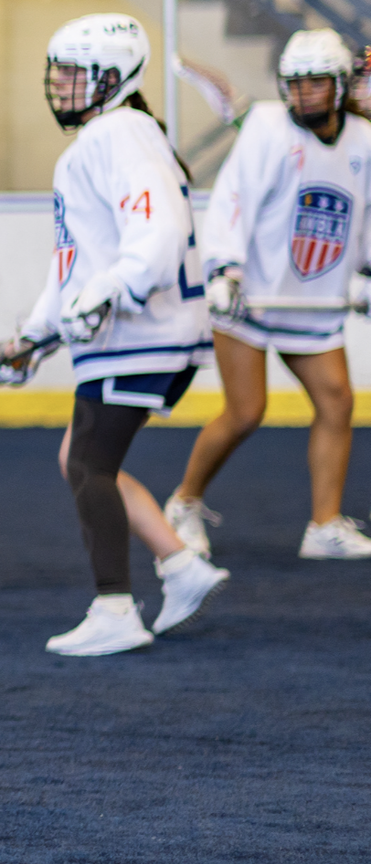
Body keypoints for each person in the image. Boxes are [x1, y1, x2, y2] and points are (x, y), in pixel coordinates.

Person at [0, 14, 230, 657]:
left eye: (73, 73)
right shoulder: (117, 135)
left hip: (140, 334)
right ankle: (180, 567)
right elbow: (75, 262)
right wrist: (33, 337)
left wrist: (111, 291)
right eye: (57, 72)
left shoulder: (118, 135)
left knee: (89, 466)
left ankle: (115, 606)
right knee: (81, 456)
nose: (59, 85)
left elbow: (157, 229)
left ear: (113, 77)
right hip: (138, 333)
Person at [166, 29, 371, 561]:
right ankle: (184, 503)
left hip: (311, 299)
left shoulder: (364, 142)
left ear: (340, 84)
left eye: (315, 85)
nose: (303, 95)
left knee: (336, 402)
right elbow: (234, 199)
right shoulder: (266, 128)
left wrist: (366, 272)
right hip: (250, 298)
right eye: (294, 85)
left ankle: (323, 525)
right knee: (245, 412)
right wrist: (224, 271)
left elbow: (366, 216)